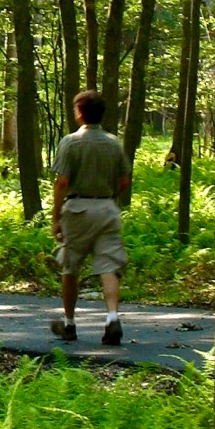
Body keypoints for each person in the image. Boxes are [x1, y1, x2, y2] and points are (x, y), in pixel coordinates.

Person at [48, 90, 131, 346]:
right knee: (108, 266)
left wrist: (55, 217)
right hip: (107, 208)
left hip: (78, 210)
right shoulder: (113, 143)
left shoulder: (70, 143)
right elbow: (125, 180)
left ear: (80, 113)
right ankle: (112, 318)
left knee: (70, 266)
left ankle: (70, 324)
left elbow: (62, 182)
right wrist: (109, 198)